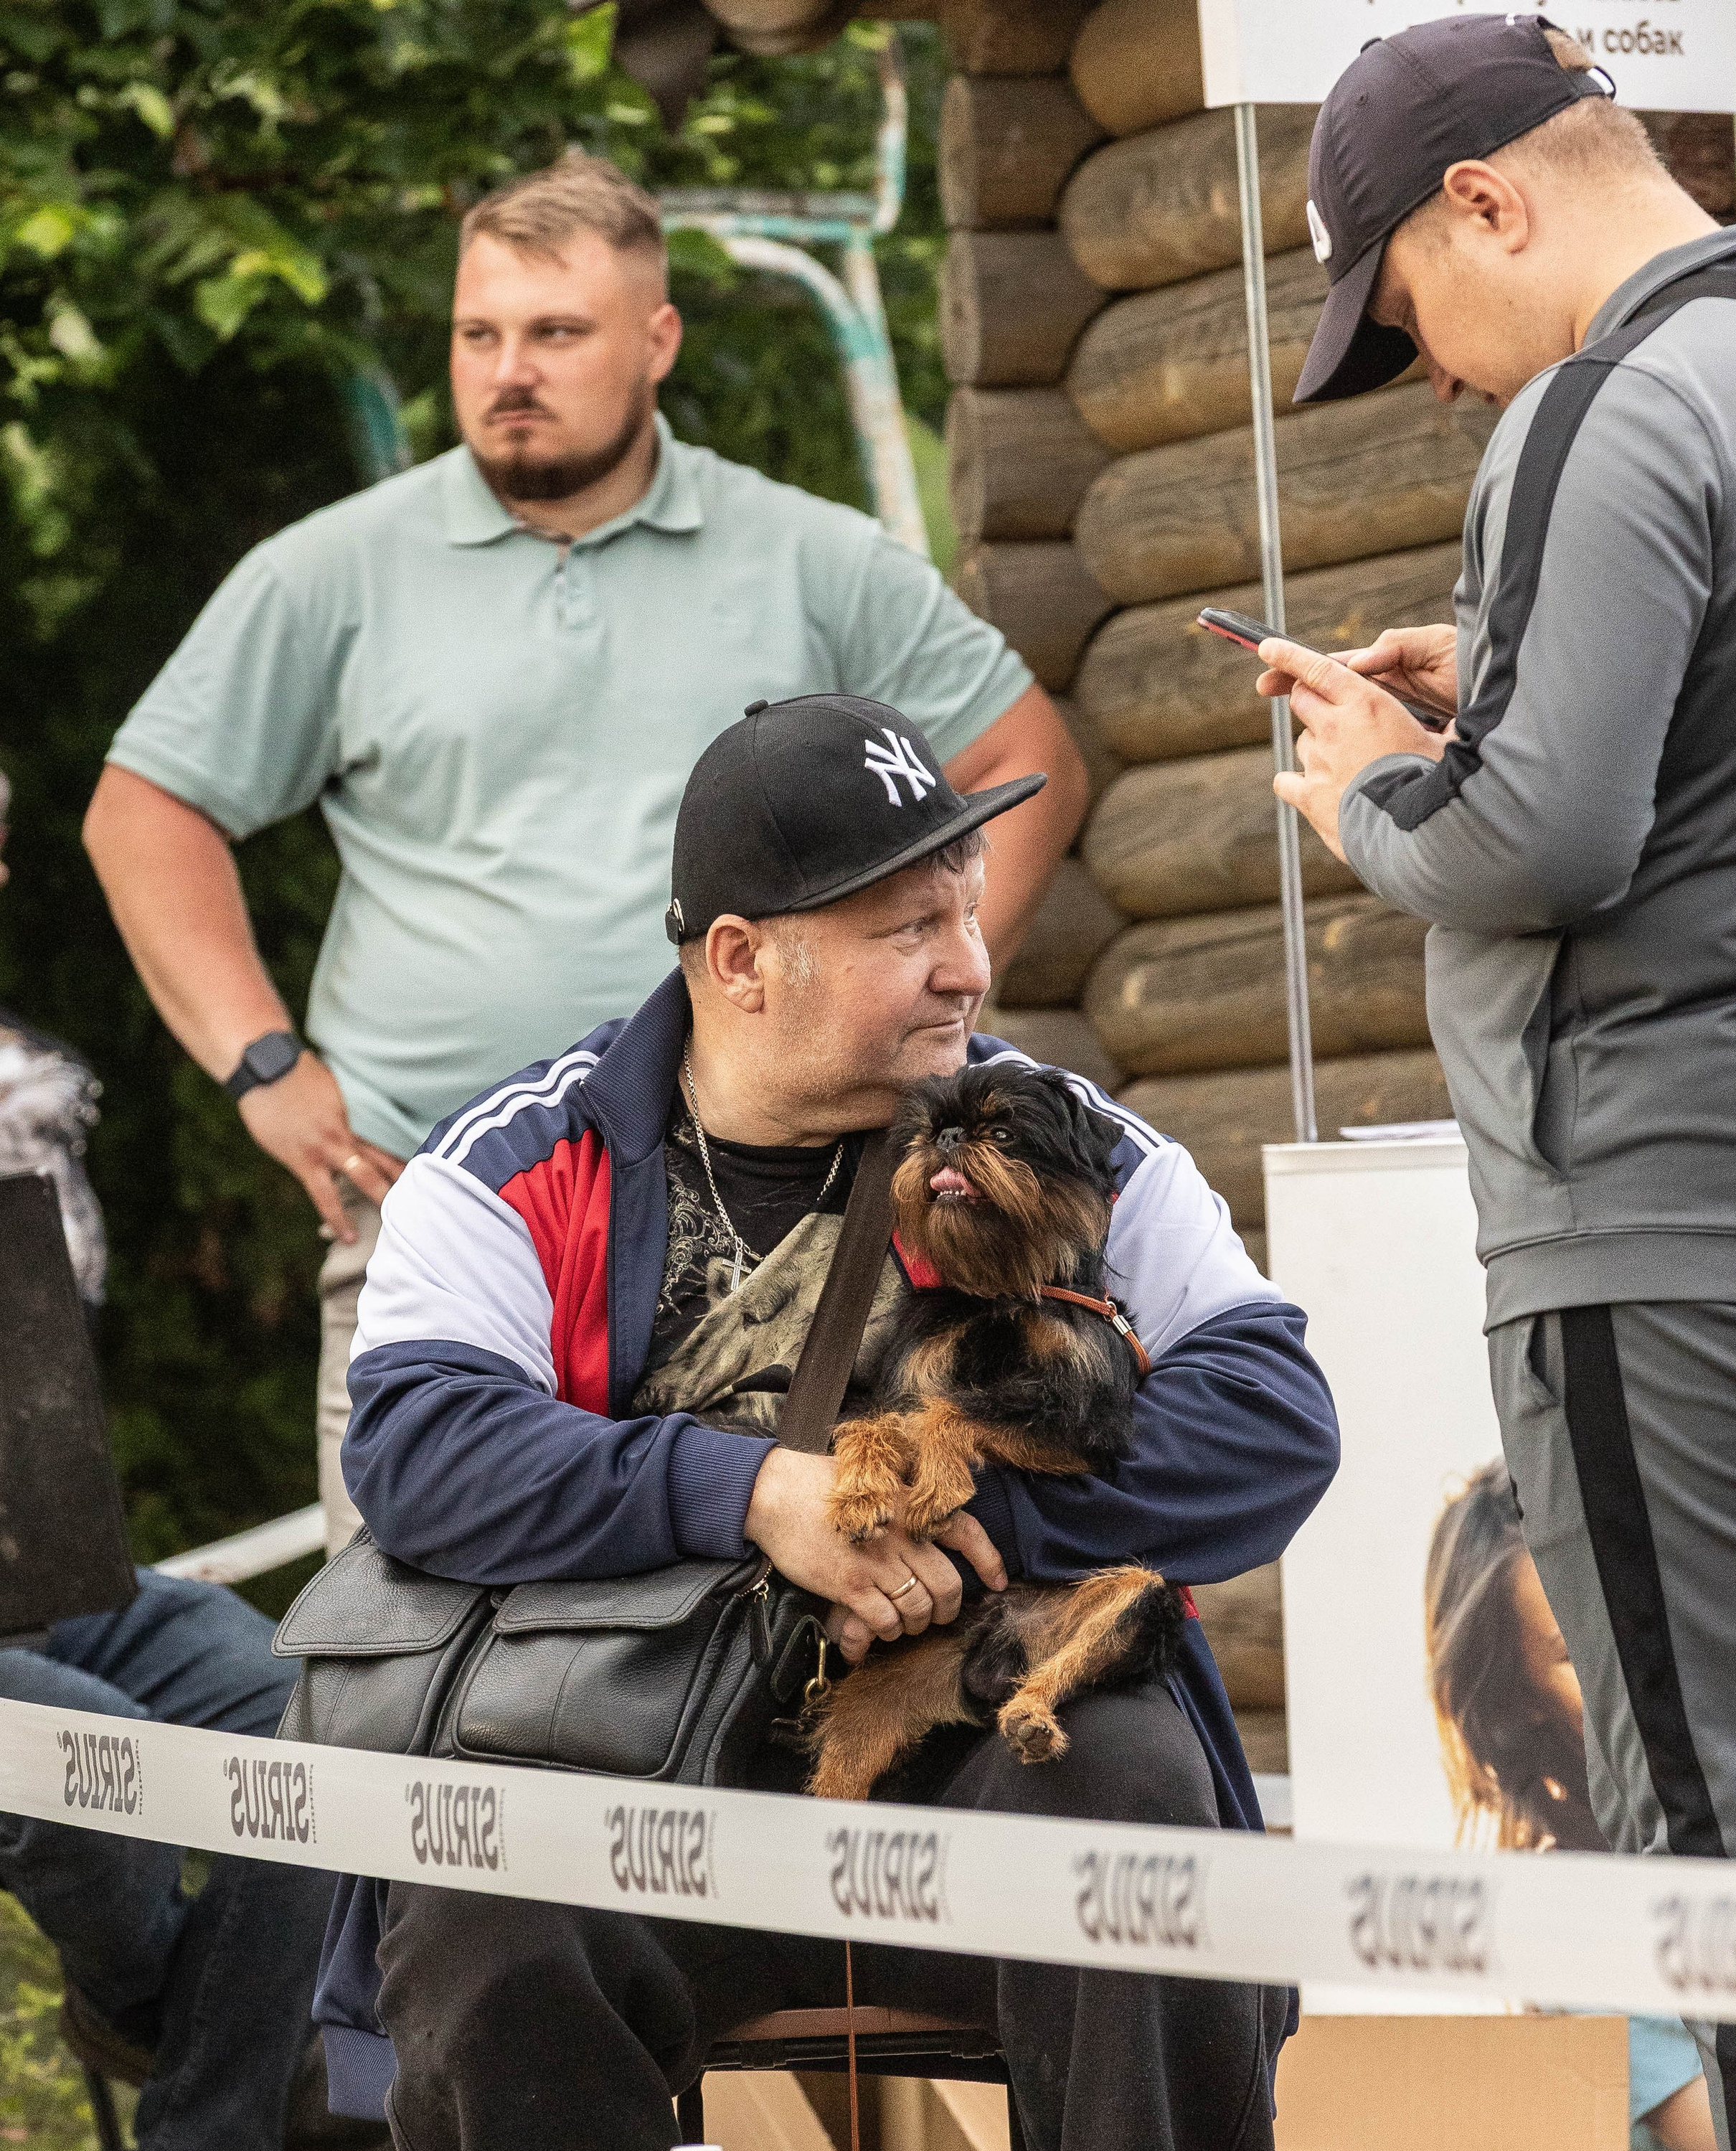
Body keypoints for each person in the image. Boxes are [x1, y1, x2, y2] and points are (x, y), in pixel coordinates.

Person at [308, 690, 1339, 2151]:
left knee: (1140, 1789)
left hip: (977, 1763)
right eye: (905, 929)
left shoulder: (1071, 1141)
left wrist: (972, 1519)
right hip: (641, 1760)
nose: (969, 960)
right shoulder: (516, 1161)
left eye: (963, 907)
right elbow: (419, 1444)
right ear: (740, 961)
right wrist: (747, 1497)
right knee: (487, 1879)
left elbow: (1273, 1422)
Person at [1258, 12, 1736, 2151]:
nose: (1417, 378)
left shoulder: (1602, 408)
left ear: (1489, 203)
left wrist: (1357, 792)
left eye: (1394, 310)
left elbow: (1539, 834)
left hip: (1641, 1219)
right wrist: (1472, 700)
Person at [80, 151, 1085, 1561]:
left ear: (656, 339)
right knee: (412, 1652)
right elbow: (145, 809)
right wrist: (262, 1065)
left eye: (555, 333)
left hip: (779, 1211)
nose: (508, 371)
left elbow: (1017, 760)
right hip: (438, 1208)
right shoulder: (334, 573)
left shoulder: (804, 557)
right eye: (477, 334)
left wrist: (928, 995)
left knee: (800, 1636)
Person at [0, 781, 411, 2151]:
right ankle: (189, 2039)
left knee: (295, 1704)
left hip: (41, 1567)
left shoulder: (21, 1086)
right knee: (88, 1756)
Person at [1426, 1462, 1736, 2151]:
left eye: (1641, 1621)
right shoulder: (1569, 1916)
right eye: (1578, 1654)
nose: (1636, 1672)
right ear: (1524, 1702)